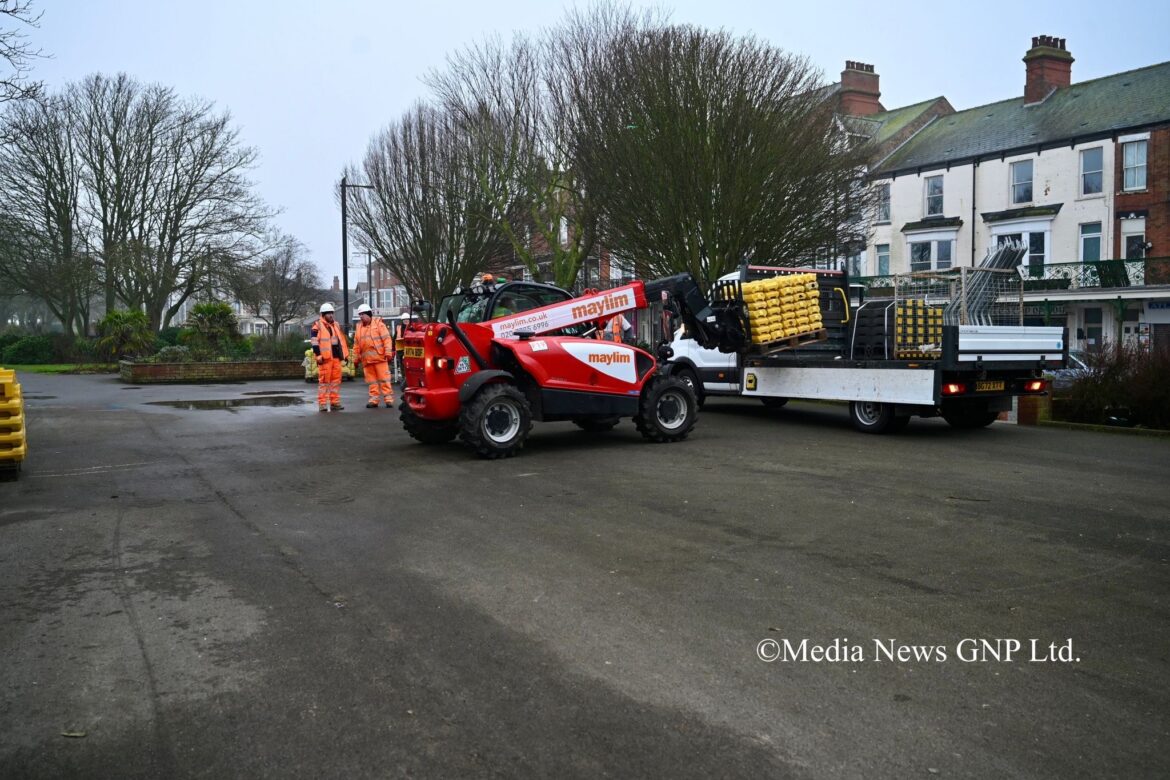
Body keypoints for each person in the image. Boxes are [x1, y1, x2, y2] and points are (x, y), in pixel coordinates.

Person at [353, 303, 394, 408]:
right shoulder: (359, 327)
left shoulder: (378, 324)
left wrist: (388, 352)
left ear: (368, 314)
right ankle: (374, 400)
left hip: (380, 358)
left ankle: (388, 399)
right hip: (367, 360)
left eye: (362, 314)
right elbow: (356, 345)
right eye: (360, 315)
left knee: (384, 380)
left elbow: (386, 339)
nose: (361, 316)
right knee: (372, 382)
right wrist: (355, 359)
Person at [311, 302, 349, 412]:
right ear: (323, 315)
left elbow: (341, 341)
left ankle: (334, 403)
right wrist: (318, 355)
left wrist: (345, 355)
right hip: (325, 359)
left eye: (332, 313)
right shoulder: (317, 326)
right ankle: (322, 404)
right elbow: (314, 342)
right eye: (328, 313)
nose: (331, 315)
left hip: (336, 358)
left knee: (335, 382)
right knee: (324, 383)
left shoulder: (335, 325)